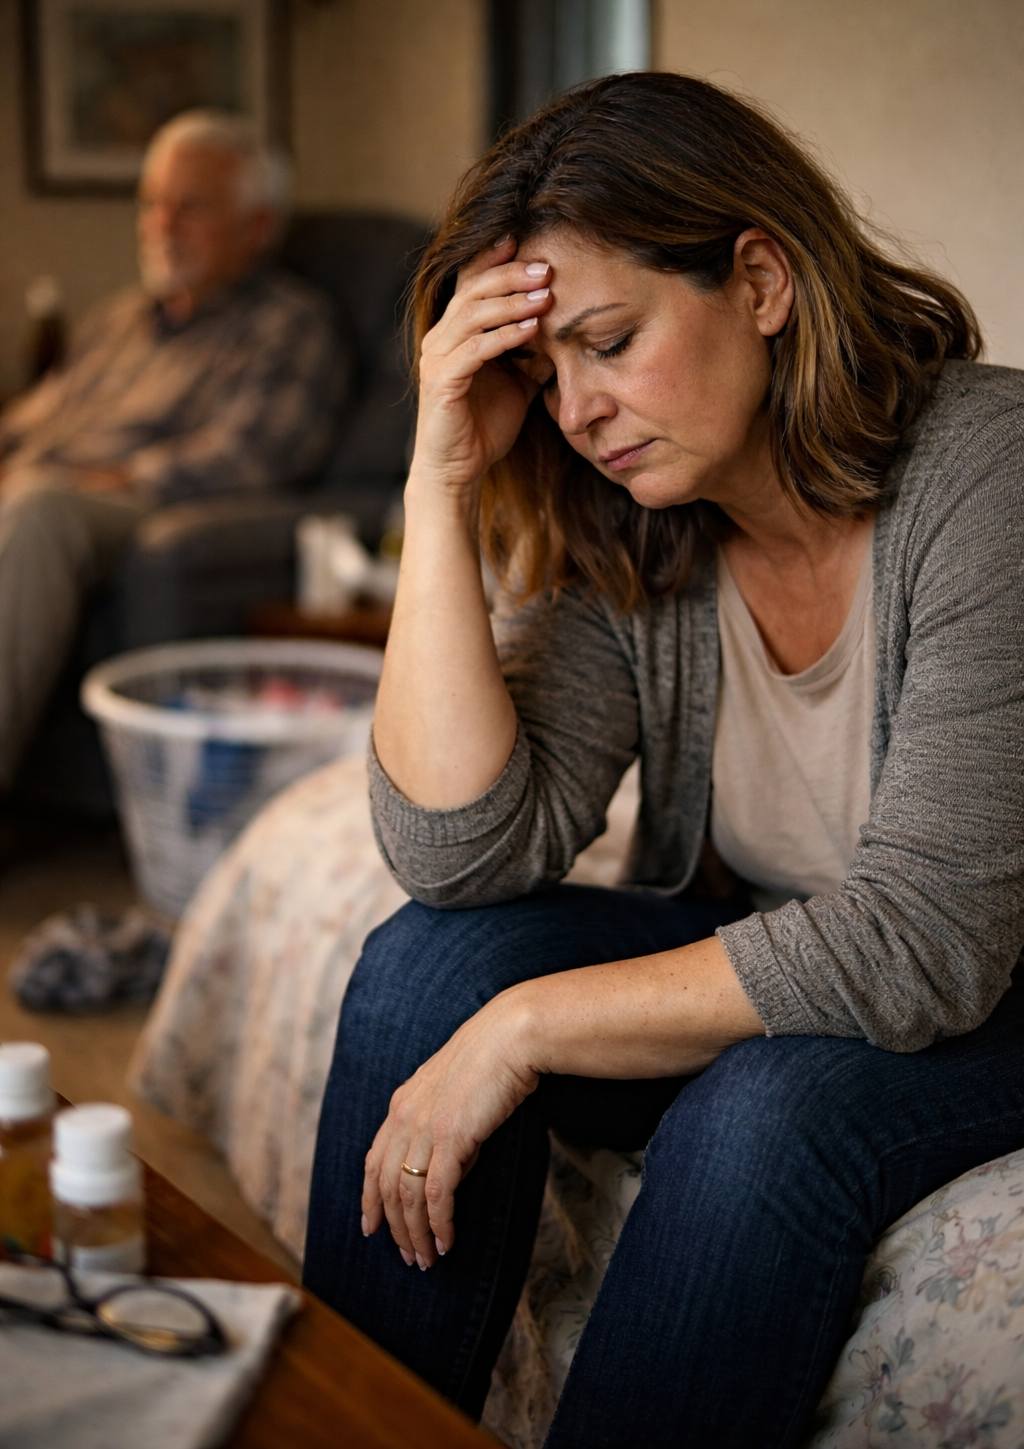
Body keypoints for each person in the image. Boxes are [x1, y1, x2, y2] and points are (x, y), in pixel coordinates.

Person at [301, 74, 1024, 1448]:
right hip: (787, 944)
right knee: (422, 966)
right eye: (539, 369)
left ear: (759, 279)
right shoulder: (642, 517)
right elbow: (463, 857)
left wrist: (524, 1031)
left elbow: (931, 940)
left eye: (608, 340)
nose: (573, 409)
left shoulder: (997, 472)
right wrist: (434, 486)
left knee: (763, 1113)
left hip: (1003, 988)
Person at [0, 110, 340, 795]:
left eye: (191, 208)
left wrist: (81, 475)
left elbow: (251, 459)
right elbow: (31, 418)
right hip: (39, 481)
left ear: (259, 227)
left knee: (39, 507)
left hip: (121, 506)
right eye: (152, 204)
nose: (161, 225)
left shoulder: (289, 323)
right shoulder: (120, 320)